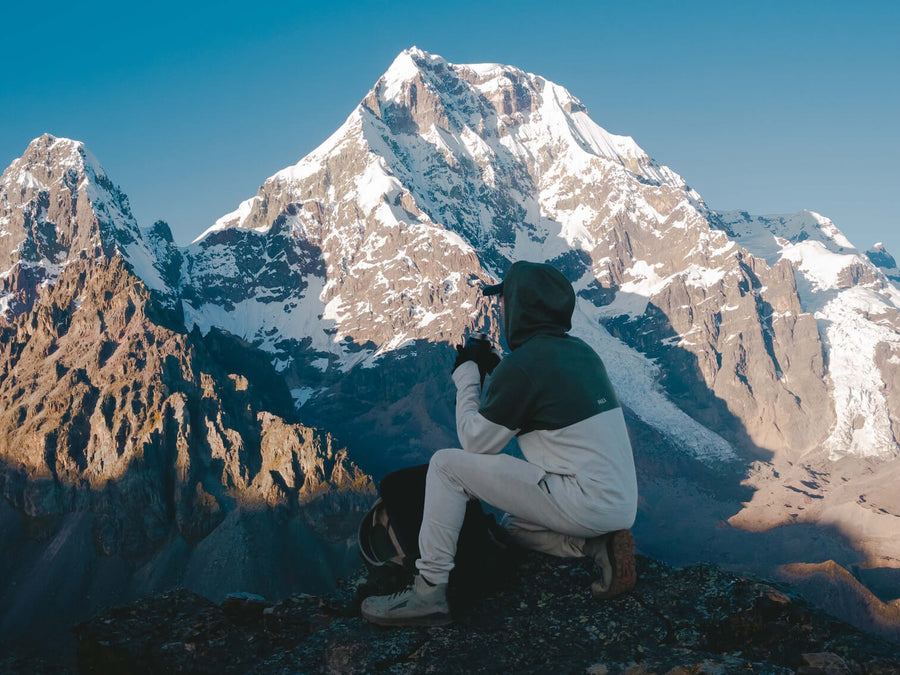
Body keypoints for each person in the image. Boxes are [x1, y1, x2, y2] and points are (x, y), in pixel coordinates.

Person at [361, 261, 638, 627]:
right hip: (617, 505)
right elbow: (539, 388)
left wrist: (468, 377)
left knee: (446, 466)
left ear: (521, 305)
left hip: (582, 500)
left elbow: (476, 443)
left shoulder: (525, 366)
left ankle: (428, 591)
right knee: (513, 527)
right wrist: (500, 371)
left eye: (504, 301)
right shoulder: (583, 354)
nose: (500, 309)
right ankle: (596, 546)